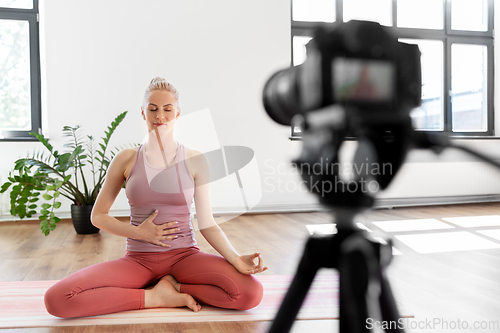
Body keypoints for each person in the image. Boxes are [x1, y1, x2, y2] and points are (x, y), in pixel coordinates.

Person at [44, 77, 267, 318]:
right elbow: (98, 216)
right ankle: (153, 296)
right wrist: (139, 232)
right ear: (143, 113)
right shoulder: (126, 159)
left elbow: (207, 223)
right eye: (153, 109)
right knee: (57, 299)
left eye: (167, 109)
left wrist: (234, 259)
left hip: (185, 255)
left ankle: (174, 287)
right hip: (138, 260)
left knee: (250, 294)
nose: (160, 116)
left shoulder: (196, 160)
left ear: (178, 113)